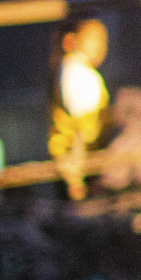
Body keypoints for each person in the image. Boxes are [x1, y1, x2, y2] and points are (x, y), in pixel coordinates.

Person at [47, 16, 111, 203]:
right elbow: (83, 134)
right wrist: (76, 181)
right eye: (93, 38)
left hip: (71, 166)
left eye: (103, 39)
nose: (100, 45)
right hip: (80, 171)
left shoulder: (66, 69)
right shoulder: (79, 74)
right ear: (71, 41)